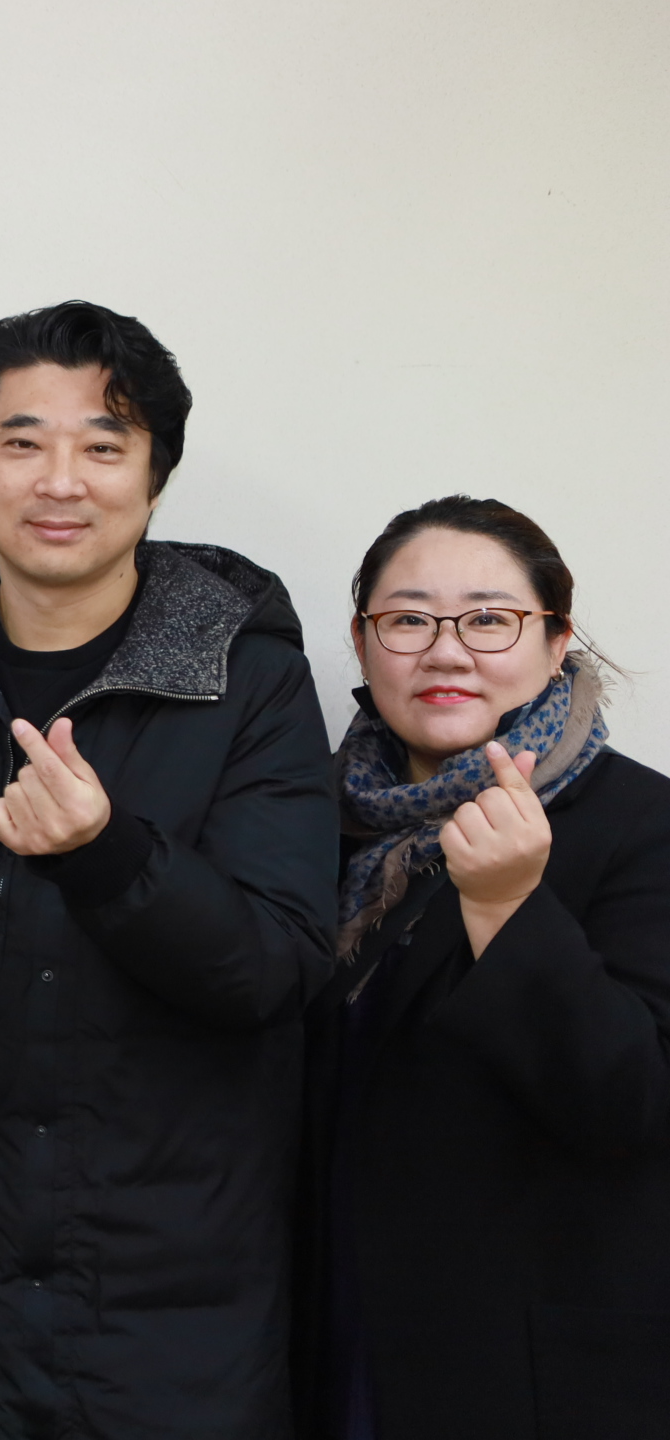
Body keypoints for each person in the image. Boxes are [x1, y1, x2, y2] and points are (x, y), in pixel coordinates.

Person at [0, 302, 336, 1438]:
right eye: (23, 442)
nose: (61, 480)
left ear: (154, 477)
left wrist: (109, 856)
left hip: (160, 1319)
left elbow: (278, 968)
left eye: (104, 445)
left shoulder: (250, 682)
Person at [295, 497, 670, 1440]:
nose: (447, 653)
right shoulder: (303, 823)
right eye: (409, 620)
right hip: (318, 1332)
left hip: (523, 1368)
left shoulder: (643, 827)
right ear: (363, 642)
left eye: (490, 620)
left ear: (556, 640)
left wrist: (507, 906)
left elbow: (633, 1103)